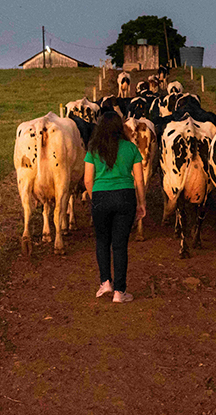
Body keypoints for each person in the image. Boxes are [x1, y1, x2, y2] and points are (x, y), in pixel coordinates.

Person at [84, 111, 146, 303]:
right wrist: (142, 202)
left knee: (102, 241)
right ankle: (120, 291)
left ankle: (105, 282)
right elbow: (139, 178)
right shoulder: (131, 148)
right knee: (120, 246)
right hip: (125, 197)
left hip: (101, 196)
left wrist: (97, 198)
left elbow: (87, 179)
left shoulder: (93, 150)